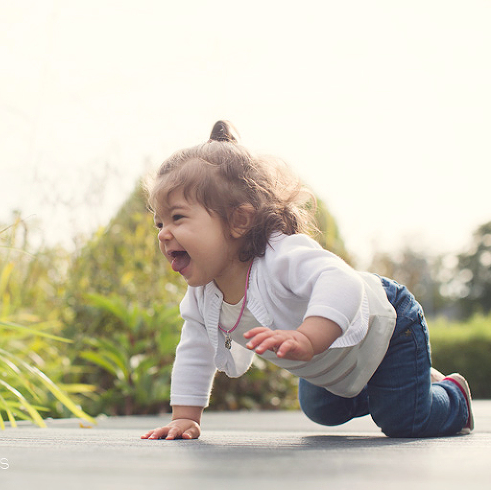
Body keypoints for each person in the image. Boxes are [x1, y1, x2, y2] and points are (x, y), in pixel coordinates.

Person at [141, 120, 474, 440]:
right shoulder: (203, 296)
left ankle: (451, 395)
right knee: (322, 409)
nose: (164, 234)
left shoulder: (280, 256)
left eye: (177, 218)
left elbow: (342, 282)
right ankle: (404, 385)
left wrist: (309, 337)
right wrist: (185, 417)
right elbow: (194, 350)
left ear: (239, 220)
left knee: (404, 420)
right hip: (330, 359)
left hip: (387, 327)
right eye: (159, 224)